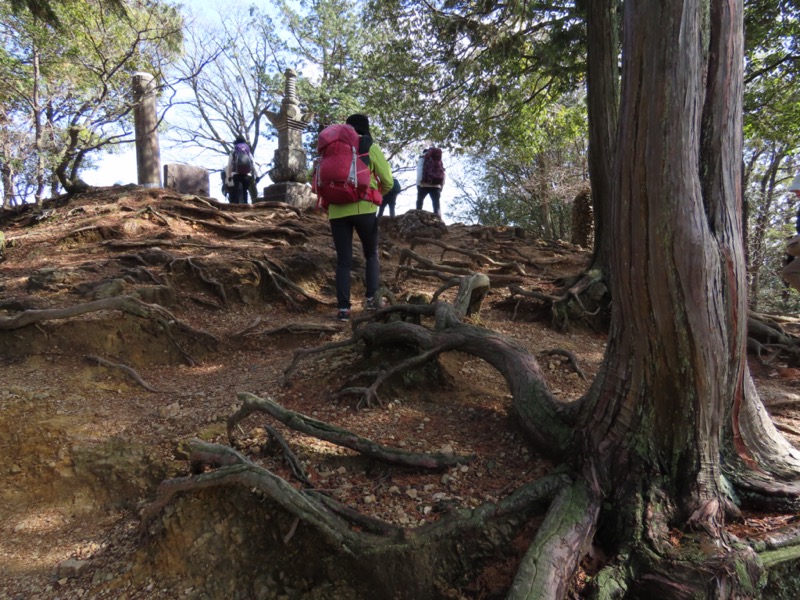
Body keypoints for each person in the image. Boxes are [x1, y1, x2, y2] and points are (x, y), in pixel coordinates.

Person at [327, 114, 393, 322]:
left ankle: (344, 309)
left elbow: (314, 174)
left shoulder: (332, 147)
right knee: (371, 254)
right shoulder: (369, 146)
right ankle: (372, 299)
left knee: (343, 261)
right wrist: (374, 193)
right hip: (364, 209)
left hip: (337, 211)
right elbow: (388, 181)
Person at [225, 135, 256, 204]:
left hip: (236, 174)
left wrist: (228, 176)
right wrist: (257, 175)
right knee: (245, 191)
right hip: (247, 174)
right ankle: (246, 206)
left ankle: (237, 209)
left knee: (237, 192)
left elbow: (229, 165)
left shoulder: (233, 151)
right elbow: (253, 163)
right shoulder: (248, 152)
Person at [416, 147, 445, 216]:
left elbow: (420, 170)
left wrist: (418, 183)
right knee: (436, 205)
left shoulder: (422, 157)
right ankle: (438, 221)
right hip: (436, 184)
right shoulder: (438, 159)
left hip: (423, 184)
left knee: (420, 202)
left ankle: (417, 217)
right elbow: (443, 172)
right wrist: (441, 185)